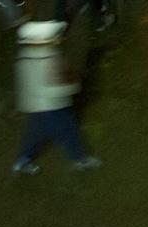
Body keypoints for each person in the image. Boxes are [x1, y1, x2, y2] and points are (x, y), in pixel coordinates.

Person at [11, 22, 99, 174]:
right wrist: (72, 87)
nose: (57, 39)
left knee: (34, 136)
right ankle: (80, 159)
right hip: (49, 107)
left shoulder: (28, 57)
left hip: (38, 108)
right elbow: (46, 89)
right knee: (69, 131)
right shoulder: (44, 59)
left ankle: (22, 161)